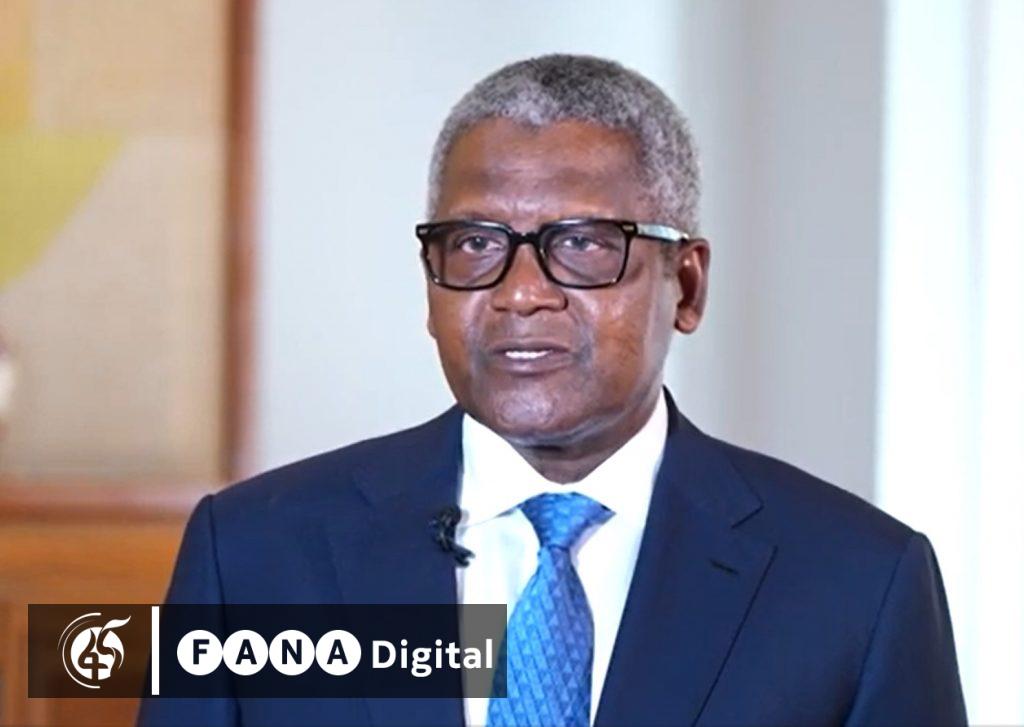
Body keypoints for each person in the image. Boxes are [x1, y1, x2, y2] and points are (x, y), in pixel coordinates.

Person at [139, 54, 967, 726]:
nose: (520, 293)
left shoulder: (857, 582)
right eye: (475, 243)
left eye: (582, 243)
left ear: (686, 285)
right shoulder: (253, 554)